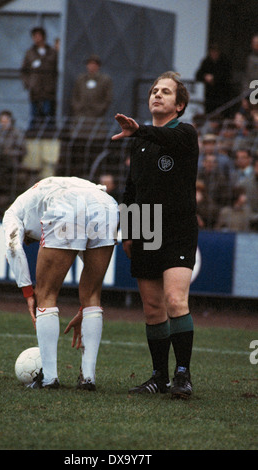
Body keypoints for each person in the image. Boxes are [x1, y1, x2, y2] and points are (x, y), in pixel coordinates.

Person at [112, 71, 198, 399]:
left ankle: (182, 375)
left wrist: (139, 130)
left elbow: (170, 140)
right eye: (154, 91)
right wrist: (128, 231)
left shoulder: (185, 133)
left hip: (177, 229)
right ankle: (158, 377)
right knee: (152, 307)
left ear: (180, 104)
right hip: (145, 226)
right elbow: (132, 189)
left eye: (166, 92)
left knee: (175, 300)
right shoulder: (141, 141)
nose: (157, 95)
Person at [2, 176, 119, 390]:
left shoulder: (13, 212)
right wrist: (85, 311)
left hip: (67, 204)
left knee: (45, 294)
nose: (33, 241)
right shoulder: (45, 190)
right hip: (106, 204)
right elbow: (85, 247)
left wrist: (28, 292)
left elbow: (13, 246)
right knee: (92, 294)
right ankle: (88, 379)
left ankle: (49, 378)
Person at [21, 27, 58, 133]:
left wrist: (53, 84)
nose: (36, 39)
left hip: (48, 89)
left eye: (38, 36)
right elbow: (24, 71)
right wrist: (28, 84)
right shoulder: (30, 53)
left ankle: (48, 132)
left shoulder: (52, 52)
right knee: (34, 112)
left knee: (48, 111)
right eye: (34, 36)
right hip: (35, 89)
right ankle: (33, 132)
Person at [195, 44, 232, 115]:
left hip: (222, 94)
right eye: (212, 52)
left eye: (216, 52)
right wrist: (205, 77)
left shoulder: (224, 62)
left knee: (220, 114)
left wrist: (214, 78)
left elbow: (227, 76)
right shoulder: (206, 62)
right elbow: (198, 75)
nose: (214, 54)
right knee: (209, 113)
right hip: (210, 94)